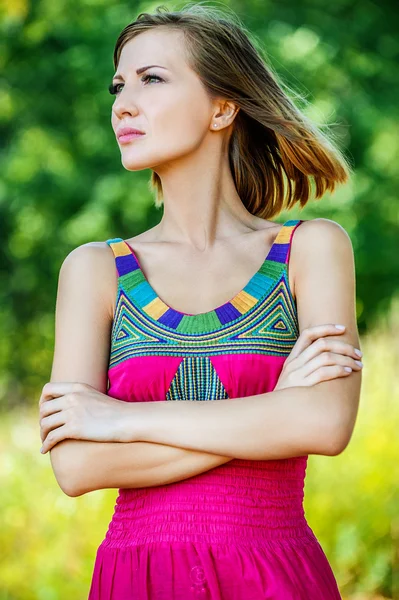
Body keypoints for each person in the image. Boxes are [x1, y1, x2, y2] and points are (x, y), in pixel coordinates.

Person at [38, 5, 363, 599]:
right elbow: (78, 467)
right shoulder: (94, 271)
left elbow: (323, 423)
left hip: (276, 576)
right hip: (136, 579)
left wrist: (120, 420)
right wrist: (274, 412)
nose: (122, 104)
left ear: (223, 106)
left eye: (152, 79)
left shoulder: (311, 250)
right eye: (119, 85)